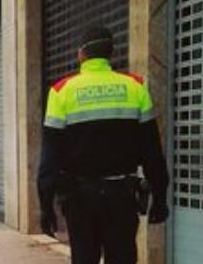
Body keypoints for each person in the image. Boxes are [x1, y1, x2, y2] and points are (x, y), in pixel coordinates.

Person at [38, 26, 170, 264]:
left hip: (79, 200)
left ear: (81, 55)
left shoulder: (61, 92)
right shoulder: (136, 87)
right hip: (122, 197)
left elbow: (49, 158)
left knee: (84, 259)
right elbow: (152, 151)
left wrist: (46, 207)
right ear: (110, 53)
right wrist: (160, 197)